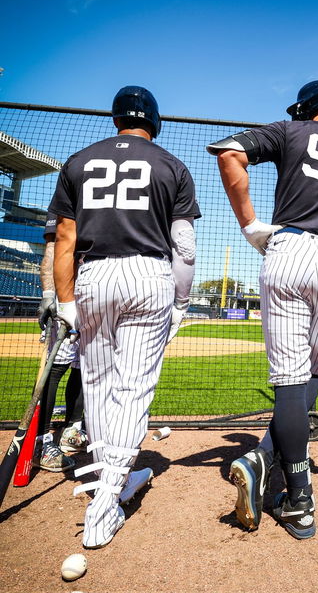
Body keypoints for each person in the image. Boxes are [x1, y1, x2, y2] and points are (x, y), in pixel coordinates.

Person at [207, 79, 318, 539]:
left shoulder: (291, 130)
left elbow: (229, 152)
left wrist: (249, 224)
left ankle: (299, 497)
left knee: (290, 379)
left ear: (307, 109)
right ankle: (265, 459)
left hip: (289, 250)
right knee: (314, 373)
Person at [50, 85, 200, 549]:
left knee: (95, 384)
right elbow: (186, 249)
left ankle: (104, 479)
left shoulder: (78, 161)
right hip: (147, 273)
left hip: (93, 275)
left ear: (115, 119)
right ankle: (107, 501)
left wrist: (64, 300)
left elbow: (64, 239)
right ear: (155, 121)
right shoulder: (172, 165)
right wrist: (180, 302)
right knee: (133, 387)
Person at [34, 212, 86, 473]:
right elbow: (53, 248)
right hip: (66, 297)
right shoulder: (69, 194)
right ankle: (40, 441)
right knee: (56, 367)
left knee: (84, 366)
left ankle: (72, 430)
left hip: (94, 294)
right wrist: (47, 294)